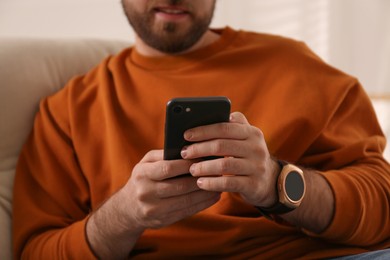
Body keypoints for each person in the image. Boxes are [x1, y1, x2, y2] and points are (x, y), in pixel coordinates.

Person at [13, 0, 390, 259]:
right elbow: (38, 252)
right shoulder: (68, 111)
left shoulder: (300, 68)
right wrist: (126, 215)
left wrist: (276, 183)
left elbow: (383, 204)